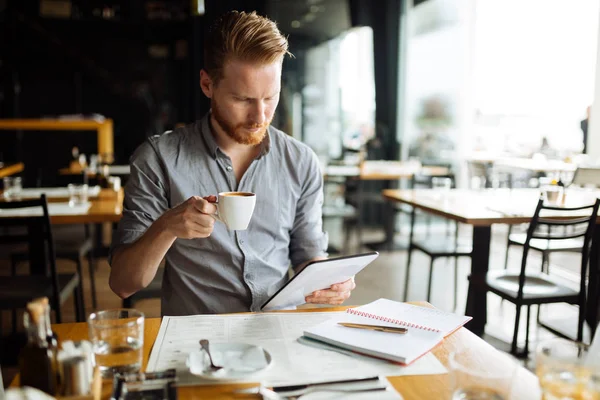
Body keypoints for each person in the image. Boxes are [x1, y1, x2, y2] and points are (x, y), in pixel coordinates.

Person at [108, 11, 356, 316]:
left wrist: (327, 280)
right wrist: (166, 227)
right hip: (198, 343)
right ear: (207, 84)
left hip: (276, 332)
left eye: (270, 98)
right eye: (243, 100)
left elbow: (308, 254)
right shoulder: (158, 159)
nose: (260, 117)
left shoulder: (301, 161)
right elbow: (123, 283)